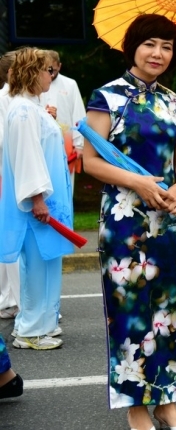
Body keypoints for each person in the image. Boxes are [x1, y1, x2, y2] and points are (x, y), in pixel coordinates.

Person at [83, 15, 176, 430]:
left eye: (167, 47)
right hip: (125, 219)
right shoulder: (107, 97)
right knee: (131, 311)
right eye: (150, 44)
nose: (158, 53)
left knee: (173, 311)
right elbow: (90, 161)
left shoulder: (173, 100)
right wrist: (137, 182)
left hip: (170, 216)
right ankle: (136, 408)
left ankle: (168, 403)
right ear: (133, 46)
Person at [0, 48, 73, 351]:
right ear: (33, 72)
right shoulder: (23, 111)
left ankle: (42, 323)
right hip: (38, 205)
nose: (51, 76)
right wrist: (37, 199)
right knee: (38, 267)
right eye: (47, 71)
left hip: (45, 203)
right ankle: (32, 330)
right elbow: (27, 158)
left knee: (46, 263)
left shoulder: (30, 107)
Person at [42, 50, 86, 190]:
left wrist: (79, 145)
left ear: (59, 66)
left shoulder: (70, 84)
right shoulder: (38, 83)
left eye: (53, 70)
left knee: (66, 184)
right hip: (43, 141)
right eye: (47, 70)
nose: (51, 74)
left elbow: (78, 114)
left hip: (66, 141)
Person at [0, 51, 21, 322]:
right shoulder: (4, 100)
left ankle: (10, 298)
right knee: (12, 239)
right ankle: (12, 299)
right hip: (8, 177)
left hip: (14, 175)